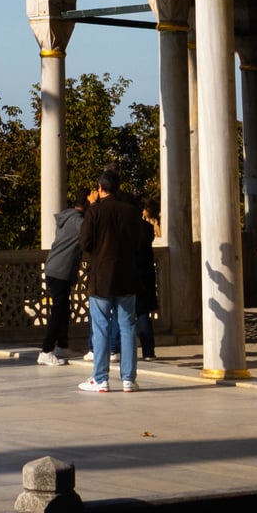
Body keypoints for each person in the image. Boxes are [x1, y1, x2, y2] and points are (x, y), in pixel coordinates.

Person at [75, 168, 149, 394]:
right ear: (118, 188)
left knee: (101, 328)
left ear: (99, 188)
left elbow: (85, 243)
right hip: (127, 276)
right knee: (127, 327)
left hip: (102, 278)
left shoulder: (95, 211)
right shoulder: (131, 212)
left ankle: (100, 378)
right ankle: (128, 379)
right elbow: (138, 242)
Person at [36, 190, 85, 366]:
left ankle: (62, 345)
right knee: (59, 311)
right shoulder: (79, 221)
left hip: (55, 267)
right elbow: (89, 236)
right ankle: (46, 350)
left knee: (64, 308)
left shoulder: (67, 217)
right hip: (60, 270)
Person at [135, 196, 161, 360]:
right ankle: (149, 351)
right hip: (146, 273)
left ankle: (119, 349)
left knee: (125, 316)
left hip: (132, 274)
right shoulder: (146, 228)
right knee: (143, 313)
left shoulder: (128, 227)